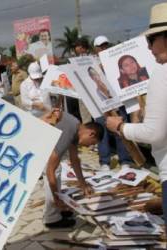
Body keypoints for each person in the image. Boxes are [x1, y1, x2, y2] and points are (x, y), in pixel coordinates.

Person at [106, 2, 167, 235]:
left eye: (151, 40)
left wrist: (120, 126)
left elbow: (155, 133)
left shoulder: (162, 72)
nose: (149, 48)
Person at [43, 112, 104, 228]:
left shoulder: (76, 128)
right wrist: (56, 198)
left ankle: (56, 209)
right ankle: (51, 218)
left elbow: (74, 160)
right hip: (36, 144)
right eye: (92, 143)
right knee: (54, 173)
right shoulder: (69, 132)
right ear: (91, 134)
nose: (89, 147)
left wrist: (83, 185)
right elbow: (50, 170)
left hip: (43, 141)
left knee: (57, 171)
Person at [93, 35, 133, 171]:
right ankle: (104, 162)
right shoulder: (92, 63)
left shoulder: (114, 60)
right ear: (96, 49)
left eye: (105, 45)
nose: (104, 48)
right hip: (100, 105)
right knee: (102, 133)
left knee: (120, 130)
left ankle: (125, 161)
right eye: (101, 46)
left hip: (117, 103)